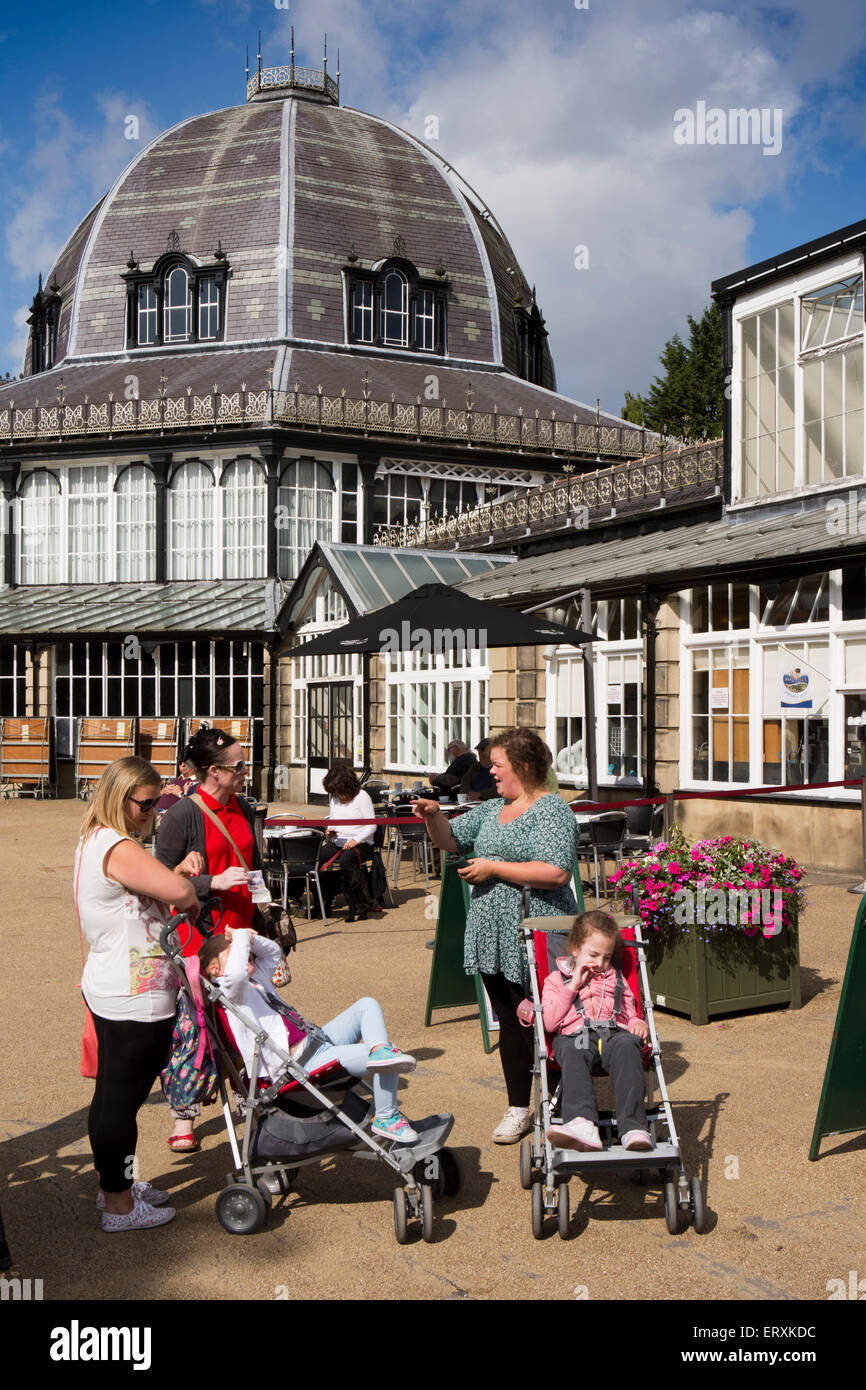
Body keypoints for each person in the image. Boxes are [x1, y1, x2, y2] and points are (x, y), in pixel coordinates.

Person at [414, 727, 579, 1144]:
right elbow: (451, 841)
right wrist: (434, 816)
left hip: (538, 934)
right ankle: (519, 1108)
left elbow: (555, 871)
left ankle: (565, 1103)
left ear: (523, 766)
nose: (490, 771)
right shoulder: (491, 810)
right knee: (509, 1021)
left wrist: (493, 868)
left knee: (547, 1021)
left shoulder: (552, 810)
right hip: (492, 933)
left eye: (497, 765)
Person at [75, 756, 201, 1231]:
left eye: (157, 805)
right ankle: (120, 1205)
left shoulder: (98, 838)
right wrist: (183, 880)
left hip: (114, 983)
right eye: (146, 805)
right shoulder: (118, 845)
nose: (153, 813)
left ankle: (115, 1188)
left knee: (110, 1097)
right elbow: (181, 895)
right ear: (119, 798)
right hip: (135, 992)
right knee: (120, 1105)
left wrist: (175, 876)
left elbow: (158, 883)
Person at [201, 928, 419, 1142]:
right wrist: (239, 937)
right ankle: (386, 1117)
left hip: (318, 1041)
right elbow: (236, 973)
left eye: (244, 949)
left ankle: (379, 1051)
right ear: (216, 970)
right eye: (235, 952)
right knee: (391, 1060)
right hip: (301, 1063)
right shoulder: (231, 992)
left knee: (367, 1006)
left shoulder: (256, 978)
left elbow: (274, 952)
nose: (244, 951)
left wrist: (250, 939)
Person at [155, 725, 264, 1151]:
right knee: (194, 1028)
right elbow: (161, 880)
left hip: (241, 931)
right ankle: (184, 1116)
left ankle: (249, 1099)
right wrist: (211, 882)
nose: (245, 770)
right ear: (212, 772)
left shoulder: (245, 807)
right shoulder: (183, 815)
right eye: (238, 765)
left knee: (245, 1023)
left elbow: (255, 862)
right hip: (197, 939)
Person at [542, 911, 652, 1152]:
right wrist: (572, 986)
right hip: (576, 1036)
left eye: (607, 957)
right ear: (574, 948)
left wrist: (636, 1022)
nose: (601, 964)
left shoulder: (616, 978)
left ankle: (633, 1127)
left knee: (628, 1044)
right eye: (593, 955)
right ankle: (582, 1123)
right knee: (573, 1047)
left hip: (615, 1034)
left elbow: (629, 1010)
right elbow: (549, 1023)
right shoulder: (556, 979)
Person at [318, 764, 378, 922]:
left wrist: (355, 840)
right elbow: (333, 820)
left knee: (347, 860)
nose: (339, 796)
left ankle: (359, 902)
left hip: (362, 843)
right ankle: (324, 898)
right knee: (319, 856)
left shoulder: (362, 797)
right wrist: (330, 831)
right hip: (339, 841)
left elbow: (372, 825)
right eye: (336, 793)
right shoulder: (334, 798)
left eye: (341, 792)